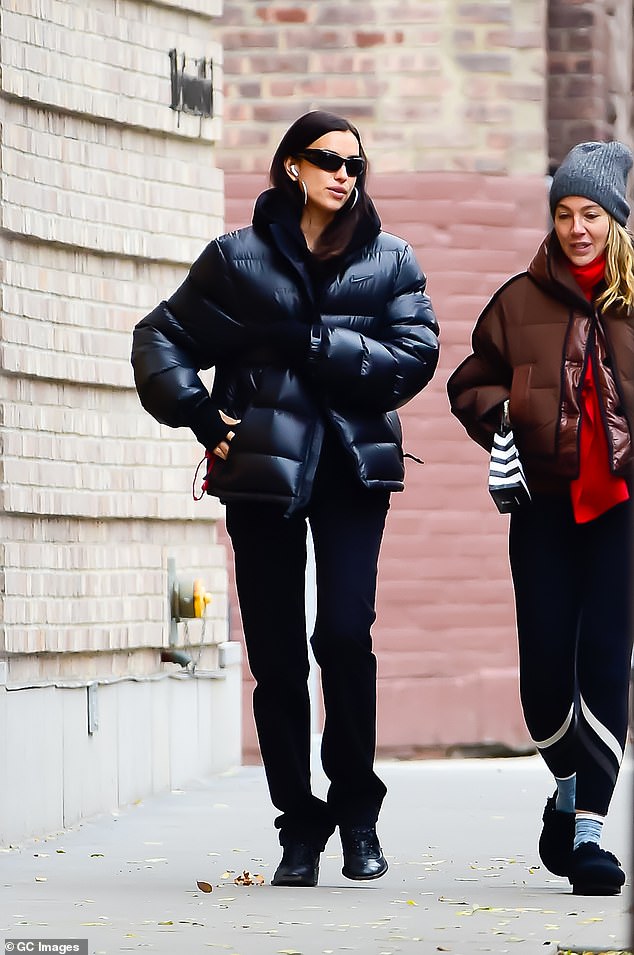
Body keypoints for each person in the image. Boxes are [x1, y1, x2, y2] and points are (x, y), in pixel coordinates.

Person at [131, 110, 440, 887]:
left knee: (342, 635)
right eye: (329, 161)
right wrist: (202, 414)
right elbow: (160, 336)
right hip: (262, 474)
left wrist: (317, 344)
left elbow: (415, 354)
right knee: (275, 659)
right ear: (292, 167)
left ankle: (359, 813)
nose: (345, 175)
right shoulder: (237, 261)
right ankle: (299, 824)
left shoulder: (389, 259)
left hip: (350, 473)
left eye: (355, 165)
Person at [447, 140, 634, 896]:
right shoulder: (517, 299)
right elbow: (471, 379)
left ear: (615, 220)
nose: (576, 227)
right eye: (563, 213)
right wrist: (503, 412)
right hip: (546, 508)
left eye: (590, 213)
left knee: (606, 662)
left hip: (622, 510)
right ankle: (563, 779)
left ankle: (589, 827)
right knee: (544, 676)